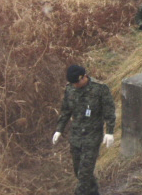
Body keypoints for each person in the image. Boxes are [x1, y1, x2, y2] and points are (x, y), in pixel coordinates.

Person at [52, 65, 115, 195]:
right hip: (76, 137)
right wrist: (59, 130)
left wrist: (109, 131)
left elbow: (109, 111)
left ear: (83, 77)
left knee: (84, 175)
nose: (75, 85)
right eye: (73, 83)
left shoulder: (100, 89)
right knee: (78, 171)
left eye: (77, 82)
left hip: (92, 137)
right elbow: (65, 111)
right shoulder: (70, 89)